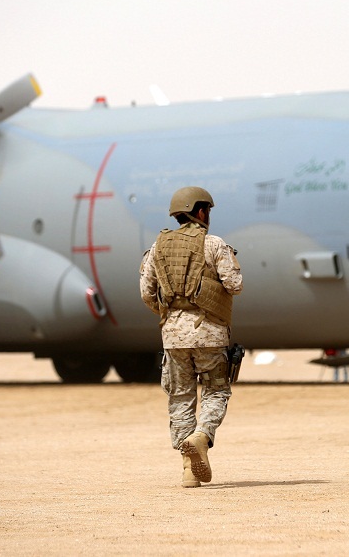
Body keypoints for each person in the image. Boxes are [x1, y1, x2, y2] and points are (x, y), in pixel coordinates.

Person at [139, 186, 243, 488]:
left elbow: (146, 293)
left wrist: (173, 314)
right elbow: (235, 284)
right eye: (207, 210)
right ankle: (201, 436)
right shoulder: (214, 244)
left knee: (180, 397)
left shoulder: (157, 247)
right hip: (210, 333)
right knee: (216, 392)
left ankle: (188, 470)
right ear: (200, 211)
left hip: (173, 337)